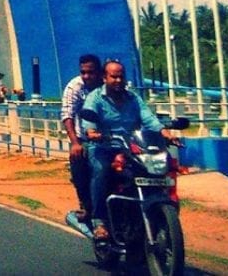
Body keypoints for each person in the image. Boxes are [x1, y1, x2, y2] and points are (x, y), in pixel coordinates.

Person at [81, 59, 169, 242]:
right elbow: (88, 122)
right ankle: (100, 222)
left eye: (121, 76)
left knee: (152, 174)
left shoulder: (133, 98)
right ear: (105, 78)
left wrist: (163, 131)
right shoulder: (95, 98)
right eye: (113, 77)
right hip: (103, 148)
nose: (118, 80)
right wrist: (92, 132)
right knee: (101, 171)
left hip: (131, 149)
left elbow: (148, 117)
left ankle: (152, 215)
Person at [59, 53, 104, 224]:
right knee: (79, 163)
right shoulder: (75, 86)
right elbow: (68, 114)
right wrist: (75, 143)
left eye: (90, 72)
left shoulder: (109, 85)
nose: (86, 76)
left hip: (112, 137)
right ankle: (86, 205)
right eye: (83, 72)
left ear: (99, 72)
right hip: (85, 138)